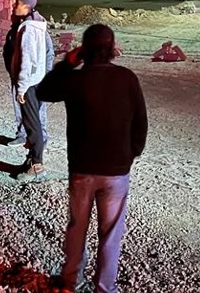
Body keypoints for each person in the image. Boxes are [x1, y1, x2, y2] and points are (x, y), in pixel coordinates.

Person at [36, 24, 148, 293]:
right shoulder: (127, 78)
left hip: (82, 168)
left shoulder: (76, 80)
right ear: (112, 48)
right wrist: (130, 154)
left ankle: (71, 281)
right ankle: (105, 287)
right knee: (111, 234)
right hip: (116, 170)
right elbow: (140, 122)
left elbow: (43, 91)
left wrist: (68, 63)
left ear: (84, 50)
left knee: (77, 228)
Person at [9, 0, 55, 180]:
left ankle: (36, 165)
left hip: (29, 84)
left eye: (18, 3)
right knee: (33, 122)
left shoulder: (28, 28)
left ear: (27, 6)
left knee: (32, 124)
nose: (14, 5)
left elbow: (27, 59)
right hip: (37, 81)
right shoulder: (38, 24)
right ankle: (31, 160)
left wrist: (21, 87)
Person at [3, 0, 50, 148]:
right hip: (18, 77)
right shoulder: (14, 32)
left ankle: (41, 140)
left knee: (38, 110)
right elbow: (8, 53)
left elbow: (48, 53)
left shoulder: (33, 29)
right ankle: (22, 135)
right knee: (19, 107)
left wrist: (44, 74)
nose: (12, 12)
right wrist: (12, 72)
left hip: (34, 79)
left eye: (15, 7)